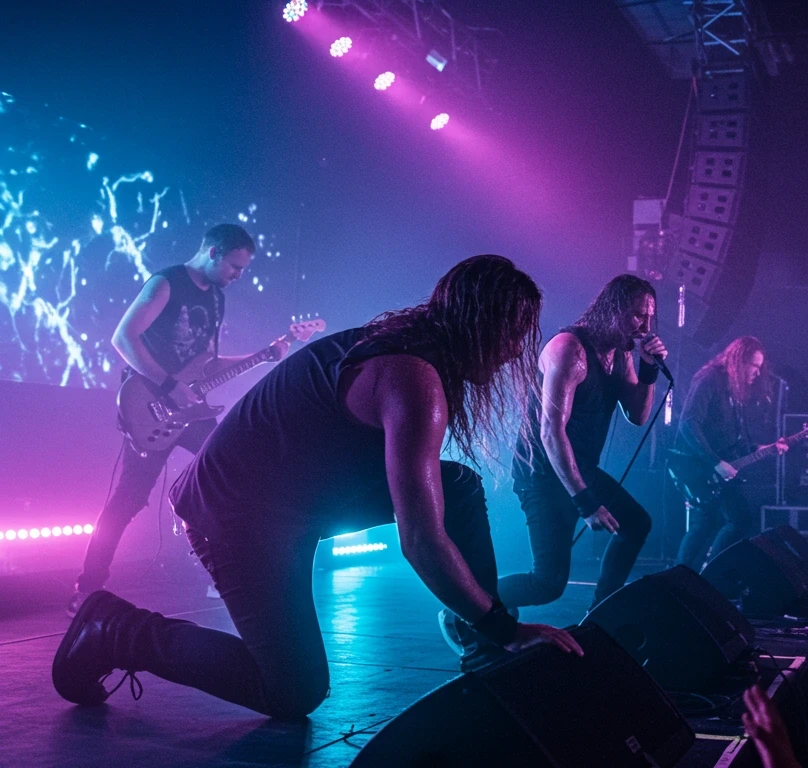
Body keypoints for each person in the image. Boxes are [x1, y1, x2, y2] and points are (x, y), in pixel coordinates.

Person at [53, 255, 582, 717]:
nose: (516, 351)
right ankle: (116, 630)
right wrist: (506, 628)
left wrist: (490, 626)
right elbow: (419, 539)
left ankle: (481, 645)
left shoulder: (410, 356)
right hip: (234, 516)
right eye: (513, 333)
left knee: (459, 484)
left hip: (294, 502)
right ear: (480, 326)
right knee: (293, 690)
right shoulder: (412, 380)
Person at [69, 224, 289, 616]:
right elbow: (123, 337)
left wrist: (264, 354)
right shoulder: (166, 284)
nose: (238, 276)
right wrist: (167, 384)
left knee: (233, 471)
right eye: (235, 267)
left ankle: (225, 576)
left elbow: (208, 363)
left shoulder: (217, 299)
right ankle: (86, 587)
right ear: (213, 252)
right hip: (148, 406)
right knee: (127, 501)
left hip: (190, 410)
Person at [497, 274, 667, 610]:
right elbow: (550, 432)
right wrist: (586, 503)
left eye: (650, 317)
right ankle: (463, 608)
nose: (645, 326)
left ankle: (600, 613)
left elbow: (638, 415)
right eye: (637, 315)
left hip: (580, 467)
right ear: (612, 309)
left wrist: (649, 370)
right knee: (547, 583)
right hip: (543, 474)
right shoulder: (569, 349)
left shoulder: (619, 353)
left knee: (635, 524)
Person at [673, 336, 788, 570]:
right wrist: (714, 461)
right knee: (708, 524)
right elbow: (689, 423)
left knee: (735, 522)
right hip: (701, 468)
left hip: (719, 467)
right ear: (739, 360)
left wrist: (760, 449)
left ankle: (708, 576)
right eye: (754, 366)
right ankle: (684, 580)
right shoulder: (709, 380)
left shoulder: (733, 391)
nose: (757, 372)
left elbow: (734, 437)